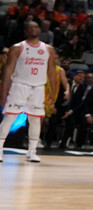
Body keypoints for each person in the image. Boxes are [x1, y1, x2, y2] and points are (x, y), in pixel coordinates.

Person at [0, 21, 58, 162]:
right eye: (30, 28)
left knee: (35, 119)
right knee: (10, 117)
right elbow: (7, 71)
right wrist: (3, 92)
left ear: (39, 30)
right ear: (26, 31)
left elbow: (51, 71)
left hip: (38, 87)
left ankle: (32, 151)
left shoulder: (48, 49)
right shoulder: (17, 47)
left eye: (36, 27)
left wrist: (53, 91)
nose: (34, 29)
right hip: (20, 85)